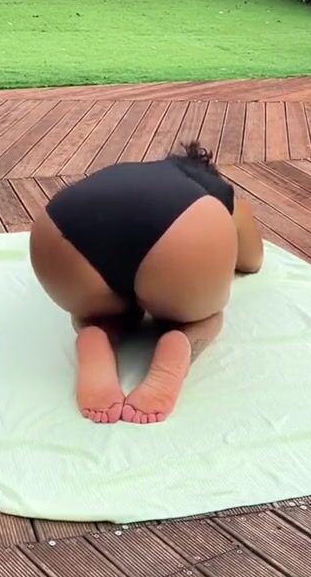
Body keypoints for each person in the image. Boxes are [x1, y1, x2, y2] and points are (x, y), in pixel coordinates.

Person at [29, 142, 264, 425]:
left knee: (91, 312)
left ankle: (97, 331)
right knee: (205, 316)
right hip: (182, 228)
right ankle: (182, 341)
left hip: (59, 227)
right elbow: (252, 260)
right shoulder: (214, 188)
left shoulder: (130, 171)